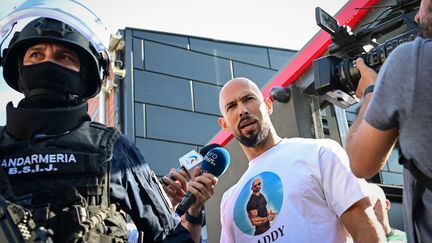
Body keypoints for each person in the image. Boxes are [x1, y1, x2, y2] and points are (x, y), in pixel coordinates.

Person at [0, 17, 217, 243]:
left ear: (84, 73)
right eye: (36, 55)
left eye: (63, 57)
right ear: (18, 67)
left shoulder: (113, 148)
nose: (47, 64)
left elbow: (170, 236)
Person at [217, 77, 385, 242]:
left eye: (249, 99)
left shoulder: (319, 153)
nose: (242, 110)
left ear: (268, 106)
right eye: (231, 106)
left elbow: (367, 231)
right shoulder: (229, 201)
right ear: (224, 125)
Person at [345, 0, 432, 242]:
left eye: (423, 6)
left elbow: (360, 164)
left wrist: (371, 92)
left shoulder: (412, 60)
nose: (416, 18)